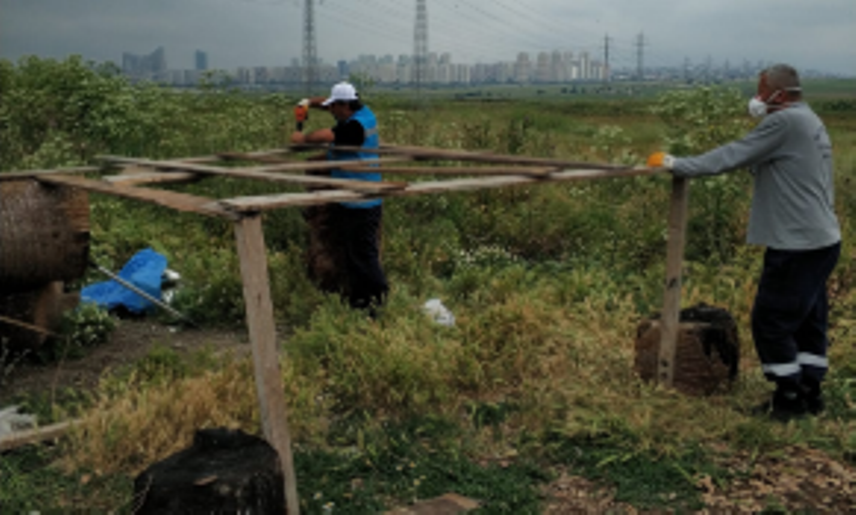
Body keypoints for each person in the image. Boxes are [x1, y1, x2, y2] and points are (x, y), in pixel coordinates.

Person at [648, 64, 841, 421]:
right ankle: (810, 391)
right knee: (809, 320)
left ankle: (788, 398)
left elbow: (732, 155)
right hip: (821, 241)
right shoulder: (809, 120)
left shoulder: (784, 122)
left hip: (797, 244)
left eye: (761, 90)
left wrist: (679, 164)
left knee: (771, 321)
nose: (756, 98)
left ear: (779, 95)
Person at [290, 82, 389, 314]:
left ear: (345, 106)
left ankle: (378, 302)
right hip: (350, 198)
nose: (331, 111)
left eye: (334, 107)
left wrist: (302, 139)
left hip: (362, 201)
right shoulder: (362, 112)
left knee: (365, 256)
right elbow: (333, 108)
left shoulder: (355, 128)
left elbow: (327, 135)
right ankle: (358, 301)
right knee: (351, 255)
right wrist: (310, 102)